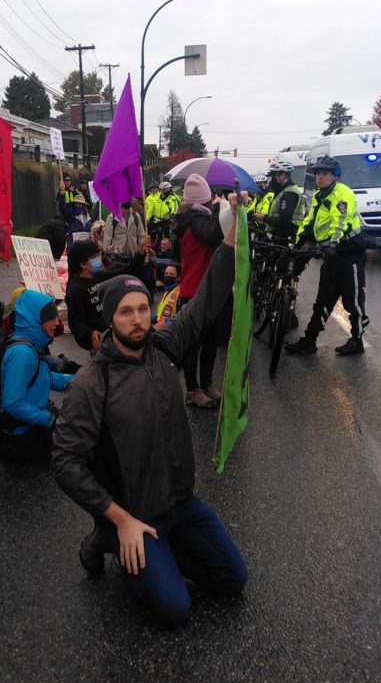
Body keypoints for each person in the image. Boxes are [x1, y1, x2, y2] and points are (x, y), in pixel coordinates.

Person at [51, 214, 247, 626]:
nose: (138, 319)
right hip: (135, 513)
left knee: (233, 578)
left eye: (143, 308)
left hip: (180, 501)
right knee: (175, 609)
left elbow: (206, 301)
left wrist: (233, 232)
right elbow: (66, 464)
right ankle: (106, 538)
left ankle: (160, 552)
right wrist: (119, 519)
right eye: (126, 313)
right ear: (109, 319)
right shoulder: (91, 384)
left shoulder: (163, 346)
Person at [285, 155, 369, 356]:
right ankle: (309, 340)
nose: (320, 178)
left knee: (353, 302)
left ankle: (357, 341)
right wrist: (299, 243)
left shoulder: (342, 194)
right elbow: (311, 222)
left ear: (335, 176)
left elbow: (339, 222)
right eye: (317, 174)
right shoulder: (318, 195)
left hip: (348, 254)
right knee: (323, 300)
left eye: (324, 174)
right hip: (330, 256)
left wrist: (332, 244)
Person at [0, 290, 73, 460]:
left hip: (32, 419)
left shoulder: (30, 343)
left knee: (72, 425)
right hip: (22, 433)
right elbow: (13, 403)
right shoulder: (23, 353)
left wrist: (77, 380)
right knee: (76, 446)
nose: (57, 322)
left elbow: (44, 377)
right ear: (37, 320)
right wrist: (47, 419)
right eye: (52, 318)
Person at [171, 173, 224, 408]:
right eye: (210, 199)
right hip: (196, 292)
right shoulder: (196, 220)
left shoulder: (190, 218)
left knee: (210, 342)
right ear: (203, 202)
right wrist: (222, 209)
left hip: (203, 289)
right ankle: (192, 391)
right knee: (195, 346)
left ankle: (206, 384)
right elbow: (214, 235)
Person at [64, 237, 149, 353]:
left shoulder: (101, 277)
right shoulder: (75, 290)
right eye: (93, 257)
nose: (98, 259)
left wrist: (140, 253)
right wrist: (90, 333)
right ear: (83, 264)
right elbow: (75, 323)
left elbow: (127, 272)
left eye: (97, 255)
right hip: (100, 343)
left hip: (116, 334)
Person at [255, 160, 303, 241]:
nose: (272, 180)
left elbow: (284, 222)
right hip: (278, 235)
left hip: (286, 237)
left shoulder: (289, 194)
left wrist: (264, 218)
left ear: (282, 175)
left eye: (274, 176)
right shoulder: (282, 191)